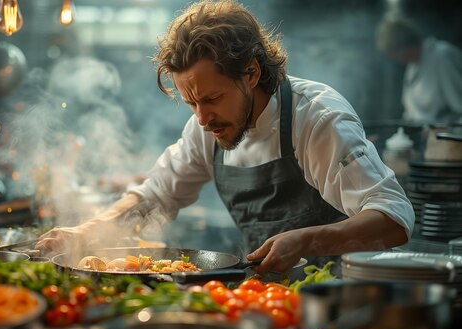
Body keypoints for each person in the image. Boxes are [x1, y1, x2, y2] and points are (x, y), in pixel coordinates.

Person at [36, 0, 414, 274]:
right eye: (191, 103)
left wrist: (307, 240)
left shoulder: (315, 118)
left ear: (250, 72)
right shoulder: (205, 127)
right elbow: (154, 196)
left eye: (212, 99)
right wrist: (84, 232)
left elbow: (395, 219)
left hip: (336, 296)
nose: (201, 119)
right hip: (263, 298)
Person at [376, 16, 462, 124]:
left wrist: (441, 130)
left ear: (405, 44)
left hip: (448, 138)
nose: (395, 59)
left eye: (395, 52)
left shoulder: (443, 57)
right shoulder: (412, 67)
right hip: (422, 137)